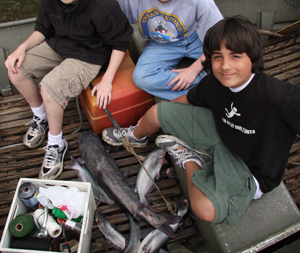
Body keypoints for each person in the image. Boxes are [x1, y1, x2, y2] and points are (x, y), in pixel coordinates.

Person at [102, 16, 300, 225]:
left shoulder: (281, 97)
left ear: (253, 57)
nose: (225, 66)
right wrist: (164, 114)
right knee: (155, 112)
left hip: (250, 169)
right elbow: (187, 98)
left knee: (204, 210)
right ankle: (134, 137)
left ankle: (189, 159)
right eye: (217, 57)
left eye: (235, 56)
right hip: (221, 134)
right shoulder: (215, 82)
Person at [5, 0, 133, 180]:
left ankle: (56, 144)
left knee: (50, 89)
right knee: (14, 67)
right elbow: (43, 29)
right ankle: (40, 115)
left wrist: (107, 80)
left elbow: (120, 42)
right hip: (61, 45)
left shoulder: (102, 5)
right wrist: (21, 49)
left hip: (90, 55)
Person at [117, 0, 223, 100]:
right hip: (161, 42)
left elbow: (220, 41)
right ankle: (205, 86)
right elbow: (114, 19)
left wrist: (192, 70)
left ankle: (203, 81)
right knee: (141, 77)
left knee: (228, 63)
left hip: (196, 39)